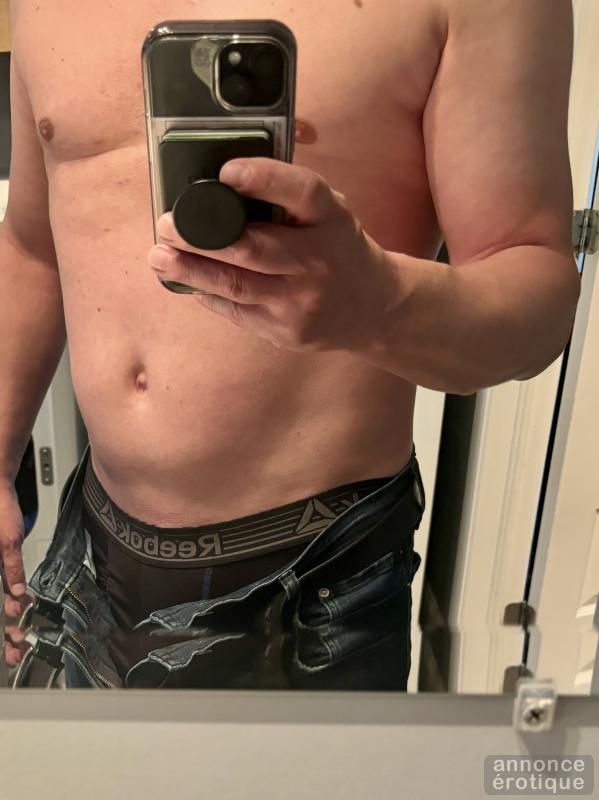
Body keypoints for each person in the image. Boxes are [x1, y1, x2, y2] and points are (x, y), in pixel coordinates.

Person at [1, 0, 579, 687]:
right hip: (93, 552)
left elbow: (537, 298)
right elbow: (30, 247)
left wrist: (379, 304)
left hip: (318, 580)